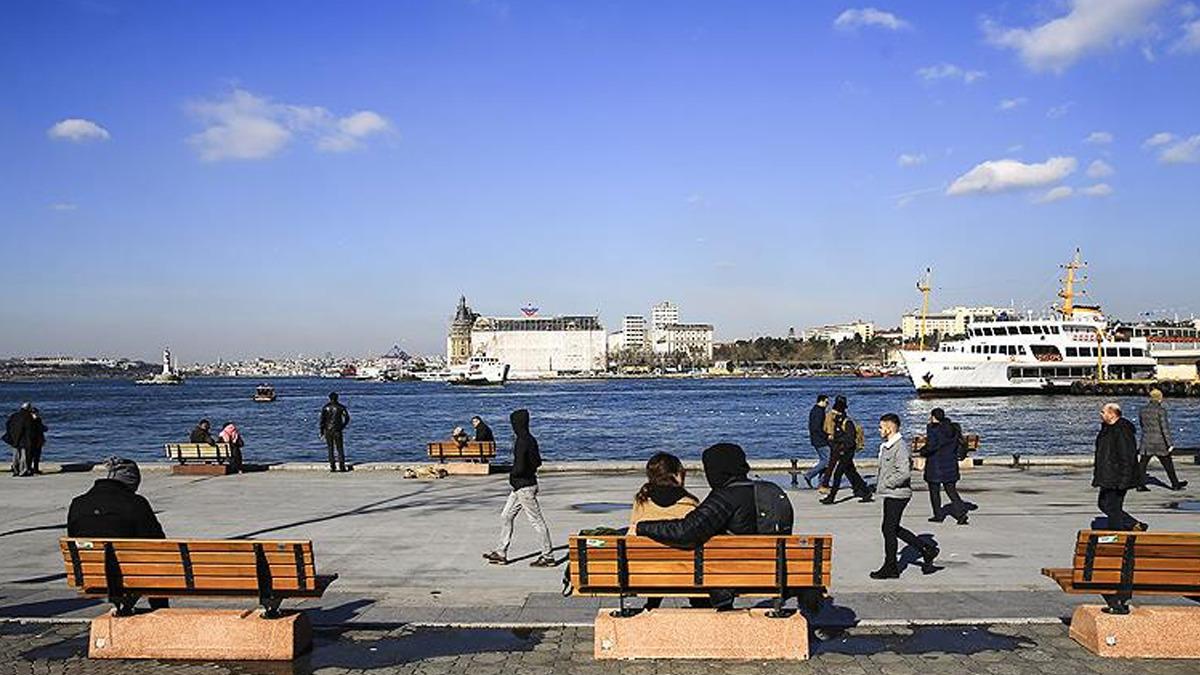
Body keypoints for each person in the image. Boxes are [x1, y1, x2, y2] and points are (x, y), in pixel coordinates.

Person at [636, 443, 762, 609]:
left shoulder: (724, 498)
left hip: (725, 574)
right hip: (766, 571)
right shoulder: (770, 492)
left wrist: (641, 527)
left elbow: (687, 531)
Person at [67, 456, 169, 609]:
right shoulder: (136, 503)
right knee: (156, 562)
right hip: (131, 573)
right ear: (131, 482)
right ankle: (160, 609)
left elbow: (73, 536)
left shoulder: (78, 503)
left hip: (90, 573)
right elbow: (157, 541)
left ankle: (124, 607)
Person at [483, 409, 555, 567]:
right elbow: (538, 462)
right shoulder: (531, 439)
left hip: (524, 487)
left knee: (536, 521)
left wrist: (513, 474)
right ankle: (501, 552)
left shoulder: (521, 441)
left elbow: (520, 466)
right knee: (506, 516)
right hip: (521, 486)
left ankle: (548, 555)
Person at [871, 413, 939, 579]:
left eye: (881, 427)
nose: (879, 430)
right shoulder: (888, 446)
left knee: (888, 529)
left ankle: (891, 567)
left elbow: (903, 473)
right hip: (891, 493)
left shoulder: (899, 447)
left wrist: (887, 483)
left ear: (889, 428)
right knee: (891, 528)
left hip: (898, 494)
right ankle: (926, 550)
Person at [629, 452, 699, 610]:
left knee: (656, 556)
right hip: (685, 572)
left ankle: (652, 604)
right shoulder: (689, 503)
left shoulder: (641, 501)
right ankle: (699, 603)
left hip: (647, 571)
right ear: (676, 474)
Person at [1094, 402, 1147, 532]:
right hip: (1107, 475)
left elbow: (1127, 456)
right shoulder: (1107, 429)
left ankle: (1116, 533)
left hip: (1117, 477)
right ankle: (1134, 524)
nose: (1100, 414)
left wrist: (1124, 480)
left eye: (1103, 412)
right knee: (1104, 504)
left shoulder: (1122, 430)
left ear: (1112, 414)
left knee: (1113, 507)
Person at [820, 396, 872, 504]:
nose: (833, 414)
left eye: (835, 412)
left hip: (846, 452)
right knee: (852, 473)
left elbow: (850, 441)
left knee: (838, 474)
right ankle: (866, 492)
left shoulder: (847, 423)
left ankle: (831, 497)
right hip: (843, 451)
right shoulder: (839, 421)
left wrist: (841, 448)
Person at [923, 408, 969, 525]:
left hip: (935, 465)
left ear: (934, 417)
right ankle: (961, 514)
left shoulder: (933, 429)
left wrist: (923, 451)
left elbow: (931, 446)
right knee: (951, 491)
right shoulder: (953, 428)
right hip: (950, 464)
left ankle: (938, 515)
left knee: (934, 492)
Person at [1137, 389, 1187, 491]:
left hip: (1146, 441)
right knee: (1168, 464)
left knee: (1142, 465)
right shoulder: (1161, 410)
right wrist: (1170, 443)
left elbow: (1142, 425)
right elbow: (1164, 428)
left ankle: (1140, 485)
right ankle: (1175, 484)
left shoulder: (1142, 410)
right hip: (1160, 442)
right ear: (1160, 398)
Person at [4, 402, 42, 477]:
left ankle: (15, 470)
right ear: (28, 408)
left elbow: (8, 424)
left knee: (15, 455)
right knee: (24, 456)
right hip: (24, 439)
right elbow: (30, 429)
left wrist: (11, 434)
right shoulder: (28, 417)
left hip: (14, 438)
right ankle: (23, 471)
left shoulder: (14, 415)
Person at [803, 395, 831, 489]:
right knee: (827, 460)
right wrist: (826, 435)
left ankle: (822, 482)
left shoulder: (816, 410)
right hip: (820, 440)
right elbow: (817, 428)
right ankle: (809, 475)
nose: (827, 404)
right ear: (821, 401)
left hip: (817, 439)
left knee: (824, 460)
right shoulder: (818, 412)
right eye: (826, 402)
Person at [319, 392, 350, 472]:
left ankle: (332, 466)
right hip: (337, 430)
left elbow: (322, 421)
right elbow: (347, 418)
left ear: (329, 398)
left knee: (330, 448)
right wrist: (342, 426)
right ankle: (342, 466)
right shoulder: (341, 407)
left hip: (328, 430)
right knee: (340, 448)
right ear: (337, 398)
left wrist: (322, 431)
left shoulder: (325, 408)